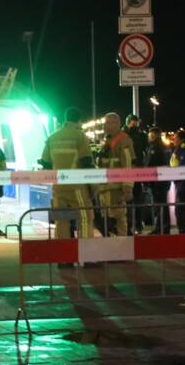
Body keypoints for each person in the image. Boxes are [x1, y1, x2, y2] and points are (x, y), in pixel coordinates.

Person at [39, 108, 95, 262]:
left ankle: (64, 259)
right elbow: (86, 161)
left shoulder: (52, 137)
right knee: (84, 217)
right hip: (77, 186)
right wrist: (93, 185)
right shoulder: (79, 136)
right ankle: (87, 257)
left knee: (62, 221)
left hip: (58, 186)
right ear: (78, 121)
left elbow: (45, 162)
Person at [96, 113, 135, 237]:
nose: (104, 126)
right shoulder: (108, 140)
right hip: (105, 189)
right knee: (107, 220)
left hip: (117, 190)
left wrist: (128, 189)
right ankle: (111, 247)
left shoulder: (123, 140)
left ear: (116, 124)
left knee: (119, 218)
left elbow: (128, 164)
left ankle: (122, 246)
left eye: (107, 123)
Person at [123, 114, 148, 234]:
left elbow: (146, 151)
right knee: (128, 199)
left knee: (137, 199)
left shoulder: (141, 135)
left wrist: (143, 165)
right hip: (127, 171)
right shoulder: (122, 135)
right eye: (133, 122)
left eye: (136, 122)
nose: (135, 124)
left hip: (137, 170)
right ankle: (128, 226)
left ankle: (137, 225)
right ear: (128, 122)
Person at [144, 127, 171, 234]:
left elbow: (150, 164)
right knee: (163, 204)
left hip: (157, 181)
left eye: (150, 135)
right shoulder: (165, 146)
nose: (149, 137)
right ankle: (164, 228)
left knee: (158, 205)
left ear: (155, 135)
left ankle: (159, 228)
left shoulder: (155, 147)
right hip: (163, 180)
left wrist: (145, 179)